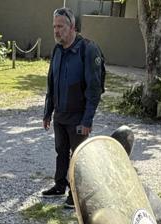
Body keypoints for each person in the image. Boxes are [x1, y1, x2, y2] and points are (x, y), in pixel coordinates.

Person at [41, 7, 104, 208]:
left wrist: (87, 120)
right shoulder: (57, 50)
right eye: (54, 26)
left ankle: (77, 195)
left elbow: (94, 89)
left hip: (78, 117)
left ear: (72, 27)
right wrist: (48, 112)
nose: (56, 31)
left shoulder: (88, 49)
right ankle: (60, 185)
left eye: (60, 26)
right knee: (61, 152)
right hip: (60, 114)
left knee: (78, 157)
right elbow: (51, 83)